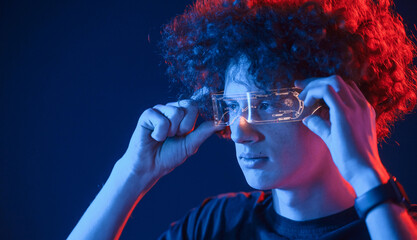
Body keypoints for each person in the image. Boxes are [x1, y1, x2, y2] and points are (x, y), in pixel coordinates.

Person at [68, 0, 417, 239]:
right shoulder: (218, 225)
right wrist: (132, 174)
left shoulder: (397, 226)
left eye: (267, 105)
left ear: (337, 103)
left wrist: (366, 175)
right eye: (233, 107)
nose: (239, 132)